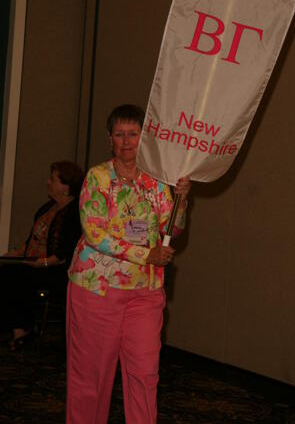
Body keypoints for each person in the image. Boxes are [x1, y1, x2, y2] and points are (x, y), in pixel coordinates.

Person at [66, 104, 191, 424]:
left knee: (145, 375)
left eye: (133, 134)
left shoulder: (156, 181)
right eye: (119, 135)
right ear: (110, 139)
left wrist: (182, 199)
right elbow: (93, 232)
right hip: (97, 289)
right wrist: (143, 254)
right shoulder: (98, 177)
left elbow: (172, 229)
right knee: (91, 380)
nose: (126, 141)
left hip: (144, 293)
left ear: (143, 137)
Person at [0, 161, 84, 350]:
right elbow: (33, 239)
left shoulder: (73, 213)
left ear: (66, 187)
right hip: (34, 262)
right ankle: (19, 326)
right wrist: (17, 253)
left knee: (14, 276)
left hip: (55, 269)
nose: (48, 182)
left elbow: (64, 253)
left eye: (53, 179)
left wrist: (43, 263)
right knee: (6, 269)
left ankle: (21, 328)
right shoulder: (47, 208)